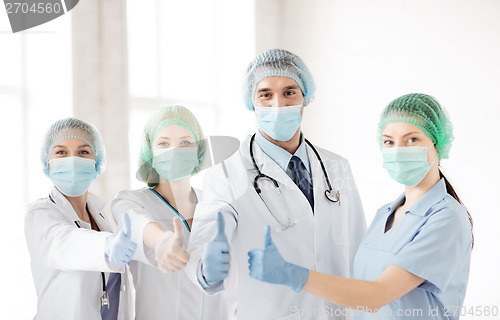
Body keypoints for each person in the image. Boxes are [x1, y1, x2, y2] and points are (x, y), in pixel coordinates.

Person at [248, 93, 473, 320]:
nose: (398, 150)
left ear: (438, 142)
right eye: (389, 141)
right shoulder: (385, 214)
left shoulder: (447, 218)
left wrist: (293, 274)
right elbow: (360, 295)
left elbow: (377, 295)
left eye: (412, 139)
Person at [186, 48, 367, 319]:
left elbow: (357, 248)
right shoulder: (226, 172)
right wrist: (206, 268)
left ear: (305, 96)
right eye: (266, 94)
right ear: (252, 101)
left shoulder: (337, 166)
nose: (278, 104)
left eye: (289, 92)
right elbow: (206, 238)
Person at [111, 106, 235, 319]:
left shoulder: (218, 203)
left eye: (185, 142)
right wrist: (162, 242)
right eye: (163, 144)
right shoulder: (131, 201)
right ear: (150, 152)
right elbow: (136, 225)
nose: (174, 150)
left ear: (199, 152)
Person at [25, 117, 136, 320]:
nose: (72, 160)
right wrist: (106, 246)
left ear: (97, 162)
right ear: (47, 163)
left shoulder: (101, 214)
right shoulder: (41, 213)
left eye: (83, 152)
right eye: (61, 152)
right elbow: (65, 242)